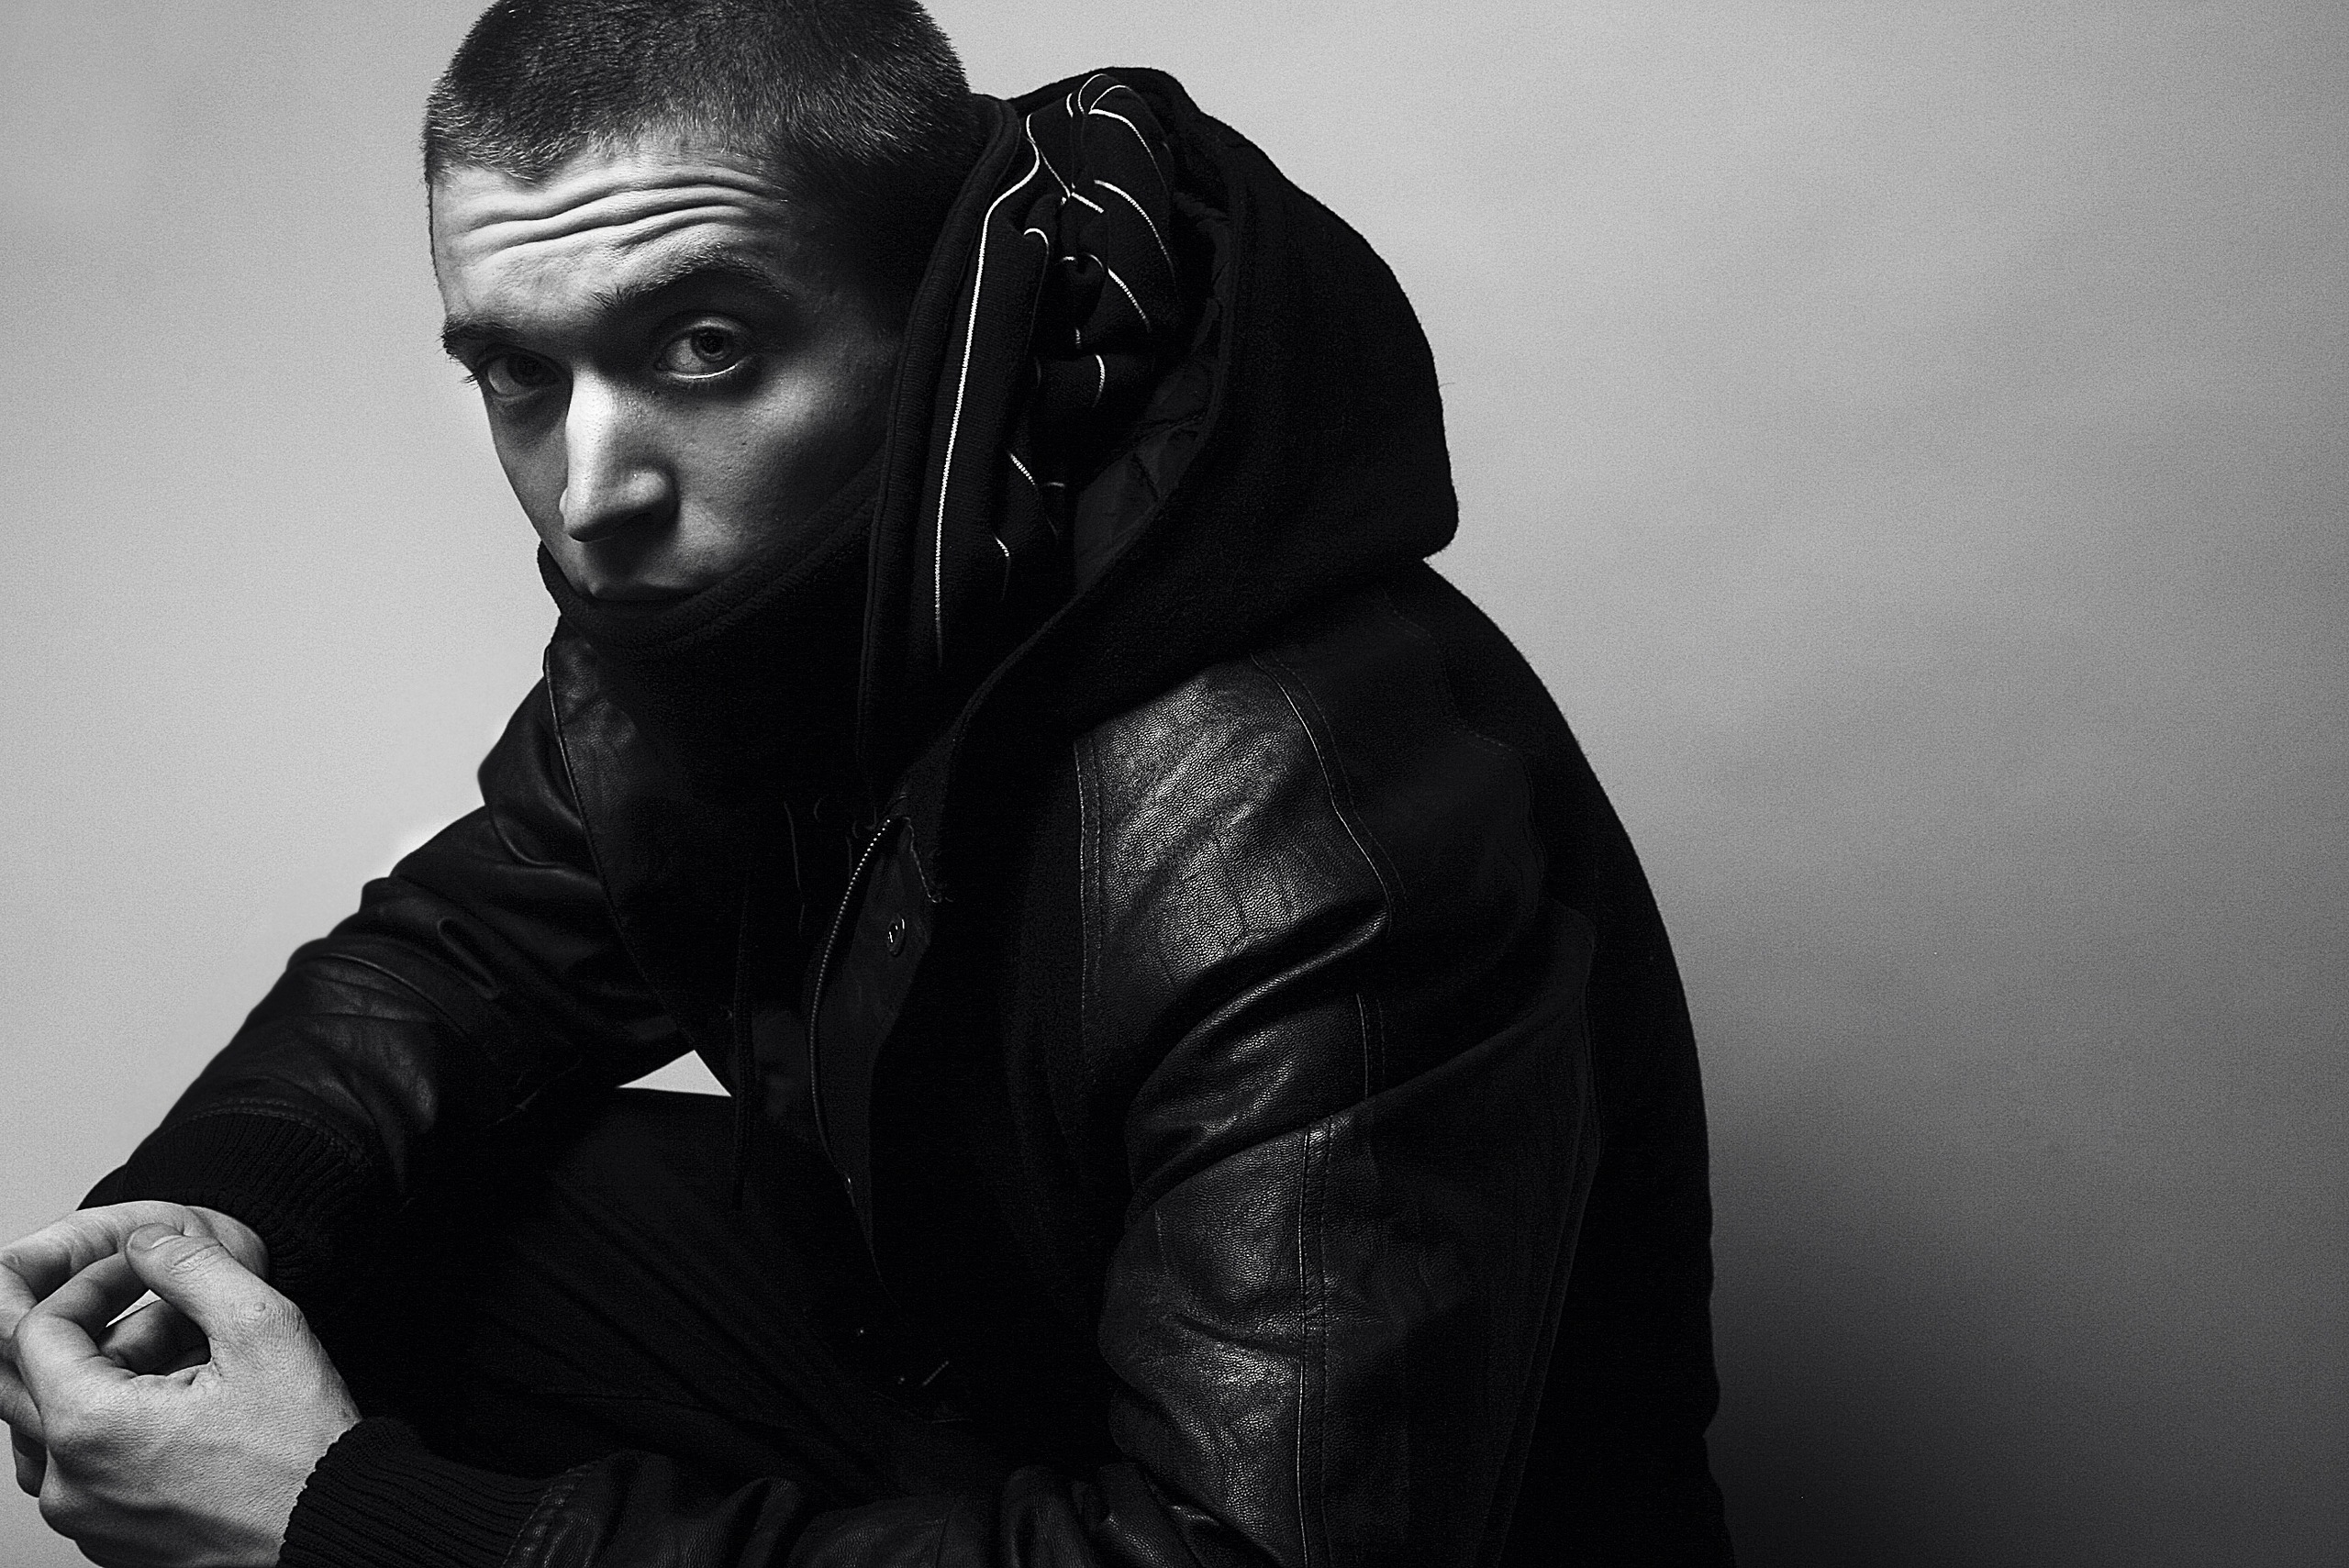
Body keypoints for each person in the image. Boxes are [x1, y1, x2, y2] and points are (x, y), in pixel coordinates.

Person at [0, 1, 1735, 1563]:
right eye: (521, 371)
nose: (592, 491)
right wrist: (201, 1220)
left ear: (944, 324)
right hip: (992, 1376)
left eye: (703, 346)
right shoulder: (778, 613)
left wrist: (358, 1524)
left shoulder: (1289, 823)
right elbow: (465, 954)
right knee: (364, 1232)